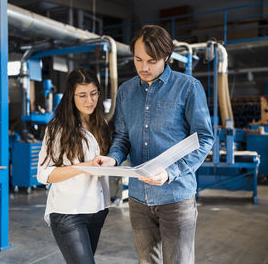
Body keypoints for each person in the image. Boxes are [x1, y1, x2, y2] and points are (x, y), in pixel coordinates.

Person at [93, 25, 214, 264]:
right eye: (138, 59)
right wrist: (113, 158)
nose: (144, 67)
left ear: (167, 57)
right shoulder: (126, 91)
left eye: (152, 60)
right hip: (139, 199)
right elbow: (123, 137)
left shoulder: (188, 87)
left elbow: (204, 139)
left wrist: (170, 172)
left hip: (176, 197)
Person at [37, 68, 112, 264]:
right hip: (68, 212)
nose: (90, 101)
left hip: (98, 210)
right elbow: (44, 174)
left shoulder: (101, 124)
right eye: (82, 95)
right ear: (71, 96)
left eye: (94, 93)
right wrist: (84, 166)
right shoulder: (57, 129)